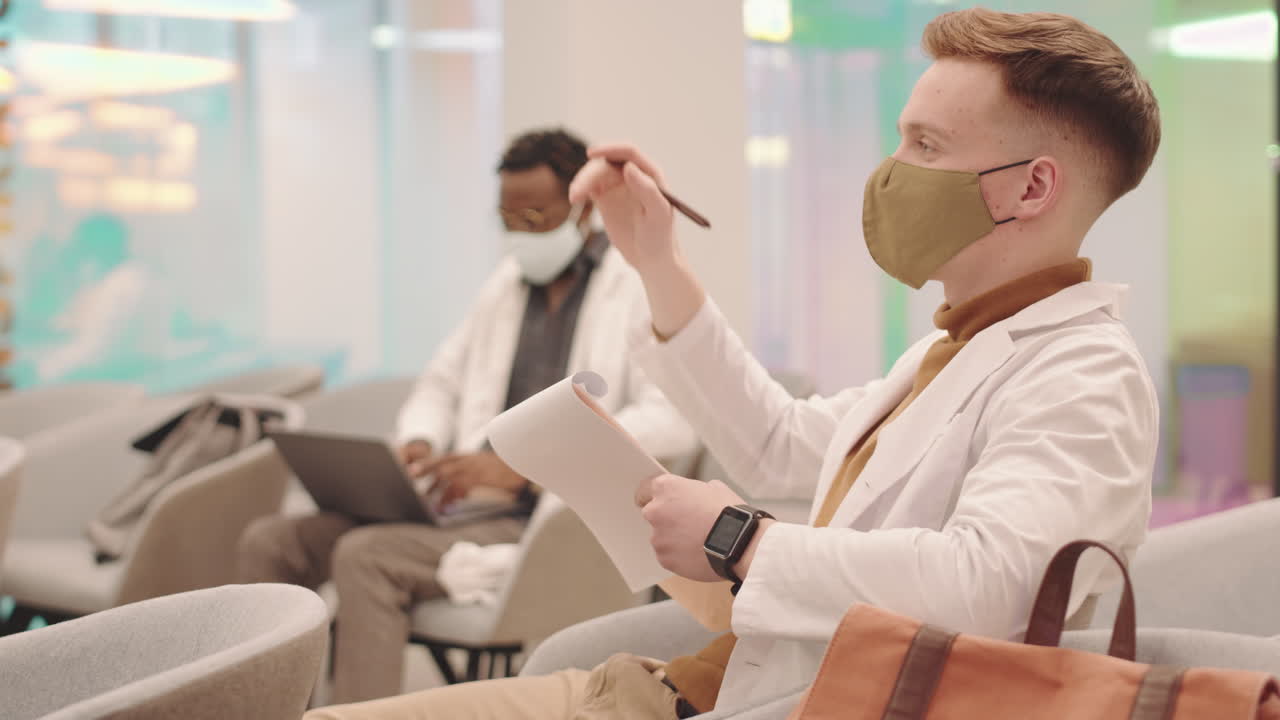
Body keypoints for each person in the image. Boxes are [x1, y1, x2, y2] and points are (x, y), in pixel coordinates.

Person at [305, 8, 1161, 719]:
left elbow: (988, 586)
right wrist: (655, 258)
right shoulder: (954, 350)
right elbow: (778, 444)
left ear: (1032, 188)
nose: (892, 171)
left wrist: (739, 539)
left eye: (926, 146)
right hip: (688, 686)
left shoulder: (1084, 373)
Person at [239, 128, 698, 704]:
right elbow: (442, 381)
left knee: (366, 555)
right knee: (272, 540)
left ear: (583, 209)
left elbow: (673, 422)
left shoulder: (633, 290)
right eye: (507, 218)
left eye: (534, 216)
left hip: (543, 518)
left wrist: (528, 472)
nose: (519, 232)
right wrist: (420, 442)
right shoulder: (505, 287)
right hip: (461, 503)